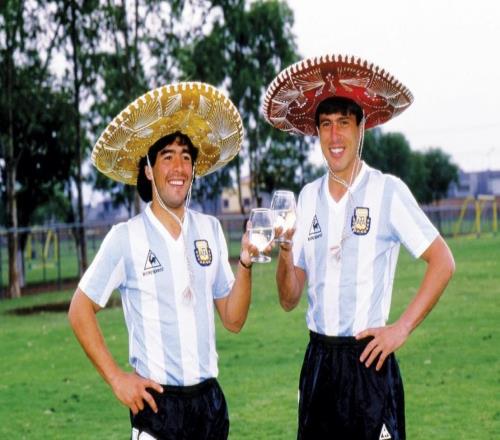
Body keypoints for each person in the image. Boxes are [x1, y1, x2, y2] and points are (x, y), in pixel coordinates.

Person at [263, 54, 455, 439]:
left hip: (369, 360)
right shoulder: (307, 197)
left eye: (343, 123)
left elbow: (442, 261)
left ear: (361, 127)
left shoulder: (387, 191)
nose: (334, 136)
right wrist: (284, 253)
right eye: (326, 125)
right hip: (319, 361)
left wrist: (400, 329)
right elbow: (288, 298)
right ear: (317, 132)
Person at [68, 82, 260, 440]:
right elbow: (79, 310)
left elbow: (233, 320)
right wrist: (117, 379)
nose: (179, 167)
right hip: (158, 408)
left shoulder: (210, 229)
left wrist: (246, 262)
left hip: (209, 403)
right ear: (148, 169)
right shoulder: (125, 237)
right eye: (167, 156)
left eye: (186, 157)